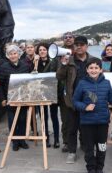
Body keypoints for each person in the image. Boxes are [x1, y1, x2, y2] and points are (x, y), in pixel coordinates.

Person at [56, 35, 97, 164]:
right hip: (72, 100)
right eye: (77, 44)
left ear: (86, 46)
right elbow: (59, 76)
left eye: (82, 44)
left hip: (88, 100)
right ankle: (72, 152)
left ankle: (85, 146)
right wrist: (63, 65)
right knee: (72, 128)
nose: (79, 46)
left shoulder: (93, 60)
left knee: (87, 127)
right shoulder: (69, 60)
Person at [0, 45, 30, 151]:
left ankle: (22, 140)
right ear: (8, 56)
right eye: (10, 54)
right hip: (10, 99)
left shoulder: (25, 66)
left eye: (15, 53)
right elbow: (0, 85)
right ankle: (15, 141)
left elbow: (29, 82)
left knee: (22, 120)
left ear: (18, 54)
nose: (13, 56)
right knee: (12, 121)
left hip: (23, 98)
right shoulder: (4, 67)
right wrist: (2, 99)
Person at [48, 31, 75, 153]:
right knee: (65, 119)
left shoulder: (78, 53)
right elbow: (51, 71)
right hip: (62, 92)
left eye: (70, 37)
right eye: (66, 37)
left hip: (76, 90)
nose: (68, 39)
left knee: (80, 119)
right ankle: (66, 142)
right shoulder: (58, 56)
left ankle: (82, 140)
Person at [34, 42, 60, 148]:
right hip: (41, 92)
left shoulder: (54, 61)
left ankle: (57, 139)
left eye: (44, 50)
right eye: (40, 50)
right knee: (43, 116)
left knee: (54, 116)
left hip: (52, 91)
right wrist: (35, 63)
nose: (42, 52)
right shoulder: (35, 62)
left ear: (48, 51)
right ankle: (46, 138)